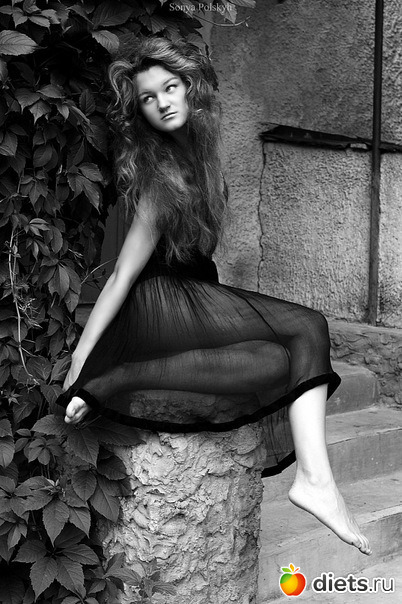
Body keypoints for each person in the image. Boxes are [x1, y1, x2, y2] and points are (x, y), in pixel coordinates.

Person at [56, 36, 371, 555]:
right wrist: (80, 357)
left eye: (170, 87)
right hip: (163, 302)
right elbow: (122, 276)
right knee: (309, 325)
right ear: (140, 112)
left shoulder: (201, 155)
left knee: (278, 360)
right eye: (148, 98)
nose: (162, 103)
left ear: (189, 86)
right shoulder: (159, 171)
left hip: (195, 296)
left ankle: (119, 379)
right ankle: (316, 481)